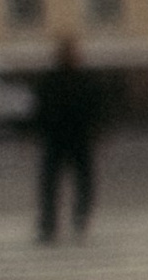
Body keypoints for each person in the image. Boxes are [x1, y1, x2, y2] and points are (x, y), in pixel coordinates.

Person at [29, 33, 107, 241]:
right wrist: (35, 132)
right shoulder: (51, 80)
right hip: (57, 138)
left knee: (83, 181)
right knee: (51, 184)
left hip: (78, 138)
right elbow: (39, 109)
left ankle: (79, 216)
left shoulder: (84, 80)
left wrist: (98, 129)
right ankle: (49, 224)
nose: (71, 57)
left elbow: (97, 108)